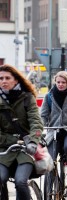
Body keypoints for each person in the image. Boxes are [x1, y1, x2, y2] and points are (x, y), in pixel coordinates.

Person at [0, 64, 43, 199]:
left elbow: (36, 122)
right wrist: (11, 140)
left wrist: (33, 141)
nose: (4, 81)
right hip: (3, 150)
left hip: (26, 149)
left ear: (16, 80)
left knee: (20, 182)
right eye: (1, 78)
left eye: (7, 78)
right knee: (0, 179)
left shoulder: (27, 98)